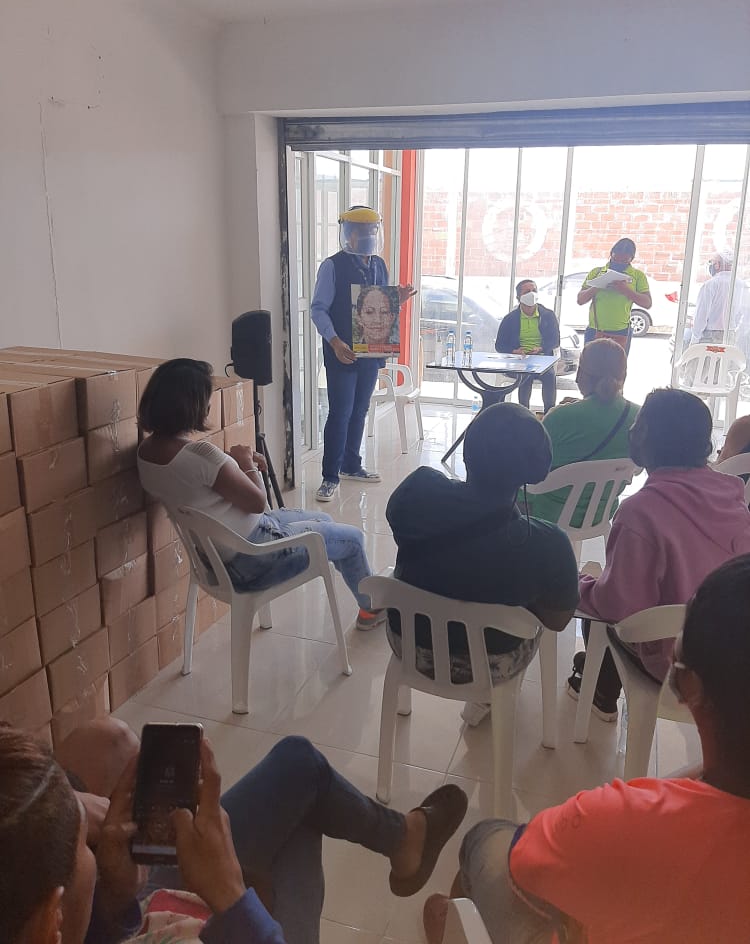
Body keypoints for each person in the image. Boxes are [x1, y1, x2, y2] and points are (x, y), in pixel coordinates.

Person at [424, 553, 750, 944]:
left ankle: (455, 925)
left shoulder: (619, 821)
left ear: (691, 684)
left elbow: (525, 861)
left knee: (486, 838)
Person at [0, 721, 467, 944]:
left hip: (131, 917)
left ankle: (403, 839)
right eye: (86, 843)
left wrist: (114, 899)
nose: (96, 834)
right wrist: (230, 895)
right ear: (50, 921)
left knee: (299, 773)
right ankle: (405, 841)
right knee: (301, 789)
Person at [136, 358, 379, 632]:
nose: (209, 405)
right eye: (206, 397)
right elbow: (257, 503)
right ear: (189, 405)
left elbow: (197, 475)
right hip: (255, 558)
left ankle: (357, 588)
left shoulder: (147, 452)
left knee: (324, 521)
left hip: (217, 559)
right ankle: (371, 610)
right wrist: (246, 464)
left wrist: (236, 462)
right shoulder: (201, 455)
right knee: (352, 539)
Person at [386, 403, 579, 727]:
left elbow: (401, 530)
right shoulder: (548, 544)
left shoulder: (415, 490)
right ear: (534, 471)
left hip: (407, 644)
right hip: (491, 662)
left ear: (466, 452)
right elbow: (557, 620)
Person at [568, 387, 750, 720]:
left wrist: (579, 584)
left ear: (647, 438)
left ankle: (601, 693)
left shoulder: (640, 511)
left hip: (678, 665)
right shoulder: (732, 497)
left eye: (638, 425)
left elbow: (617, 607)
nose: (631, 430)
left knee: (598, 611)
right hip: (732, 657)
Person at [311, 205, 415, 503]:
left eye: (371, 230)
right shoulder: (332, 266)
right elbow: (318, 309)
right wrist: (334, 342)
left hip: (370, 352)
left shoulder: (379, 264)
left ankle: (351, 464)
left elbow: (379, 306)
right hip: (342, 353)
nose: (367, 235)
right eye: (361, 230)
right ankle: (329, 477)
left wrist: (398, 300)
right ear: (349, 233)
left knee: (360, 410)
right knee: (340, 412)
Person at [525, 339, 638, 527]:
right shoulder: (639, 416)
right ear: (623, 375)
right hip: (601, 512)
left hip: (549, 511)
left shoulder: (561, 417)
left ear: (581, 374)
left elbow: (529, 463)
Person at [577, 237, 651, 355]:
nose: (618, 263)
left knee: (616, 366)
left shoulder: (638, 276)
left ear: (631, 259)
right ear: (611, 254)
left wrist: (626, 290)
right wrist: (598, 285)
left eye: (624, 261)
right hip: (595, 330)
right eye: (615, 259)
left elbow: (647, 303)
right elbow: (580, 300)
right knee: (590, 365)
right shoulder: (596, 272)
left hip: (621, 332)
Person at [495, 279, 560, 412]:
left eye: (534, 290)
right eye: (527, 291)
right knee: (525, 376)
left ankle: (549, 413)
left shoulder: (548, 315)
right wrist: (514, 351)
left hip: (542, 359)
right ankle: (524, 412)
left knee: (549, 376)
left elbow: (555, 340)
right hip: (519, 361)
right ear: (519, 297)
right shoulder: (510, 319)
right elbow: (499, 345)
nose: (531, 294)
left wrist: (541, 348)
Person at [690, 251, 734, 345]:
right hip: (732, 334)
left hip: (710, 336)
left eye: (712, 262)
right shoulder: (741, 285)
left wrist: (694, 339)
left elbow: (701, 315)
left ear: (717, 265)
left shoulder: (710, 285)